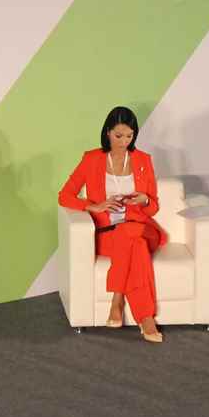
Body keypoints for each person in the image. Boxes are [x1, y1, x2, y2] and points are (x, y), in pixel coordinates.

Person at [57, 106, 168, 343]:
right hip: (108, 234)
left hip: (142, 227)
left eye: (129, 136)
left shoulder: (143, 160)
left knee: (131, 233)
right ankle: (146, 318)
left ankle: (116, 301)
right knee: (135, 246)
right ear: (107, 132)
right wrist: (94, 206)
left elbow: (153, 208)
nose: (124, 142)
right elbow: (64, 196)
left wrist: (144, 200)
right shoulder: (91, 159)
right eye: (118, 136)